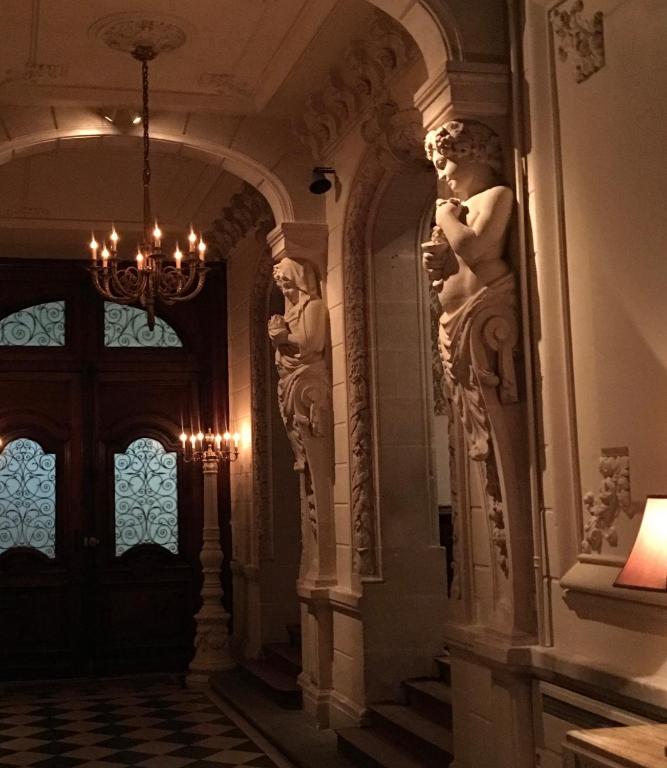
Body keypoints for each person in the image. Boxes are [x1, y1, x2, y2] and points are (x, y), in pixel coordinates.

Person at [423, 119, 518, 460]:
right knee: (469, 409)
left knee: (491, 404)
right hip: (456, 322)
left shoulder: (496, 196)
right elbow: (453, 266)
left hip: (484, 313)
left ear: (471, 154)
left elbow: (475, 249)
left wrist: (446, 218)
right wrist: (437, 265)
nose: (443, 175)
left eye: (445, 164)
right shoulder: (461, 208)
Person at [268, 257, 328, 470]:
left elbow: (310, 343)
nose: (284, 290)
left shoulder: (313, 306)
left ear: (298, 281)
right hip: (289, 377)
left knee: (307, 428)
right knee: (294, 428)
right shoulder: (291, 312)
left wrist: (283, 337)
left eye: (287, 283)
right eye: (281, 285)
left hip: (305, 376)